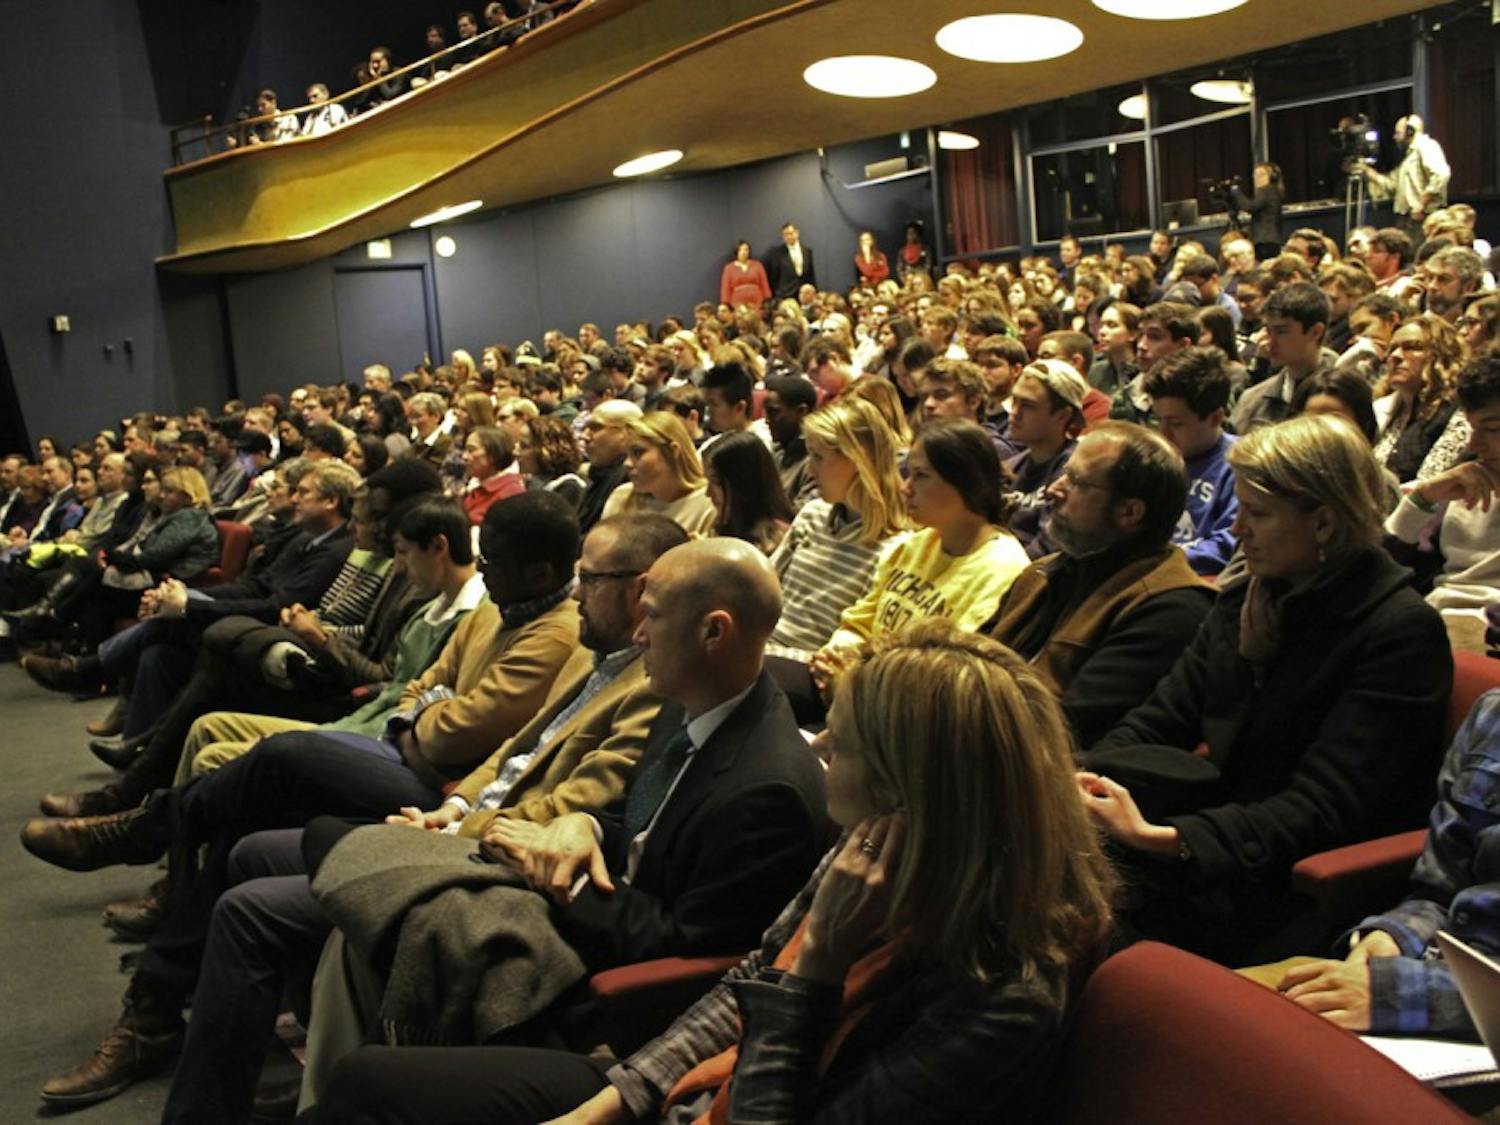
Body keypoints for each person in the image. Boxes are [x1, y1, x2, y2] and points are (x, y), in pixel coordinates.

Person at [310, 619, 1116, 1124]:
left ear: (909, 782)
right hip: (691, 1089)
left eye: (842, 741)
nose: (820, 751)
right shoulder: (873, 843)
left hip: (743, 1103)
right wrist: (613, 1099)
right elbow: (746, 982)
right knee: (365, 1082)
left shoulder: (1002, 992)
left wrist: (821, 968)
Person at [142, 514, 685, 1123]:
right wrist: (450, 807)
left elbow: (566, 796)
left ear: (639, 589)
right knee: (251, 847)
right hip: (448, 798)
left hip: (502, 853)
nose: (577, 591)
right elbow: (511, 749)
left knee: (256, 885)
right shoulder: (593, 651)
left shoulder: (646, 674)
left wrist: (458, 824)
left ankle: (197, 1091)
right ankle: (277, 1057)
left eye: (589, 578)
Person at [1078, 414, 1452, 965]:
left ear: (1323, 523)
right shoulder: (1245, 602)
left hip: (1295, 885)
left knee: (1072, 933)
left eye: (1256, 513)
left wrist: (1168, 838)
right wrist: (1087, 782)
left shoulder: (1399, 633)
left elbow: (1322, 810)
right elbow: (1158, 717)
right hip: (1216, 848)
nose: (1236, 529)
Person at [1279, 690, 1500, 1039]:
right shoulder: (1492, 714)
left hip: (1465, 1016)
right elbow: (1439, 889)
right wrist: (1394, 935)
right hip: (1440, 977)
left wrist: (1396, 994)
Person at [990, 422, 1211, 747]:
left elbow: (1069, 730)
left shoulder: (1171, 608)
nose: (1054, 489)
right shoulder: (1044, 572)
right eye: (1065, 473)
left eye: (1077, 482)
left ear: (1130, 513)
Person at [811, 419, 1028, 698]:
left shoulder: (1003, 569)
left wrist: (854, 676)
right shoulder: (916, 544)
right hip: (859, 685)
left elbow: (947, 674)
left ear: (965, 482)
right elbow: (859, 622)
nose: (905, 488)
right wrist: (836, 654)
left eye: (921, 476)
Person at [1386, 349, 1500, 616]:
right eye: (1473, 428)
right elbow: (1378, 567)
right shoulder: (1461, 484)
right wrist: (1422, 497)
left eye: (1493, 429)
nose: (1475, 444)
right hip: (1436, 618)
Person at [1144, 347, 1239, 577]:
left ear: (1216, 417)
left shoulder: (1241, 464)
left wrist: (1152, 563)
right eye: (1159, 420)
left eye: (1176, 423)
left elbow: (1230, 543)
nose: (1163, 433)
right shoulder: (1153, 459)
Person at [1371, 313, 1470, 484]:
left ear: (1441, 355)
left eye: (1412, 347)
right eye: (1392, 348)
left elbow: (1430, 483)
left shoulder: (1458, 411)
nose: (1395, 356)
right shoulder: (1386, 410)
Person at [1006, 359, 1089, 556]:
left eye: (1028, 405)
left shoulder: (1076, 474)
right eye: (1014, 401)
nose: (1014, 413)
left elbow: (1048, 552)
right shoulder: (1010, 466)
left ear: (1062, 415)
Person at [1229, 282, 1333, 435]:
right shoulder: (1254, 399)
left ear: (1315, 332)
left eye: (1282, 331)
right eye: (1269, 331)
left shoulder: (1343, 398)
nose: (1270, 342)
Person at [601, 412, 716, 537]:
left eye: (638, 452)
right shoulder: (622, 496)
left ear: (673, 451)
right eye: (627, 454)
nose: (627, 464)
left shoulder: (710, 503)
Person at [1361, 114, 1451, 239]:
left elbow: (1441, 174)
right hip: (1409, 220)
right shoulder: (1409, 158)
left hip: (1424, 219)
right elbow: (1392, 185)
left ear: (1410, 131)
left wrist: (1421, 204)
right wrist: (1368, 172)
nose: (1395, 137)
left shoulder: (1426, 146)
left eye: (1398, 133)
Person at [704, 431, 793, 555]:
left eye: (717, 482)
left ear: (743, 484)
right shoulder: (720, 524)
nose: (708, 493)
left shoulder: (779, 543)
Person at [575, 400, 642, 535]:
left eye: (595, 428)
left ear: (628, 432)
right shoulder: (599, 476)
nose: (585, 436)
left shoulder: (634, 480)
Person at [460, 425, 524, 526]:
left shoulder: (510, 492)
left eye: (471, 450)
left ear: (494, 454)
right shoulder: (475, 486)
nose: (464, 456)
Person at [1229, 162, 1286, 262]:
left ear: (1272, 177)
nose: (1257, 178)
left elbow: (1249, 207)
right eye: (1255, 175)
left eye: (1261, 174)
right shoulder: (1274, 191)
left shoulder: (1266, 191)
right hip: (1271, 240)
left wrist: (1235, 191)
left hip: (1264, 241)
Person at [764, 221, 817, 301]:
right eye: (785, 235)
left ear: (797, 233)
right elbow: (773, 276)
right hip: (785, 295)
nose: (789, 236)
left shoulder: (807, 251)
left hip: (804, 295)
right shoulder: (777, 254)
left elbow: (811, 274)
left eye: (791, 233)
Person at [719, 240, 771, 311]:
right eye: (741, 250)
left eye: (746, 249)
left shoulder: (757, 265)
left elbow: (764, 283)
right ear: (736, 251)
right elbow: (725, 287)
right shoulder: (729, 268)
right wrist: (726, 303)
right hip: (738, 303)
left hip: (757, 302)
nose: (744, 252)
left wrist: (767, 299)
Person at [895, 219, 930, 283]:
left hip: (921, 278)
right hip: (907, 278)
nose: (910, 236)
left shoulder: (924, 249)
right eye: (909, 233)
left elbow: (927, 265)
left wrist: (921, 277)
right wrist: (904, 279)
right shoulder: (902, 251)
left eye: (913, 233)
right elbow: (899, 267)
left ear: (918, 234)